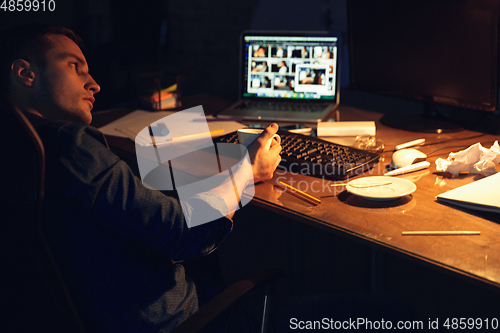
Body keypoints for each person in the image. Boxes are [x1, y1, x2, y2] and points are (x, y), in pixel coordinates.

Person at [0, 24, 282, 332]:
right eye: (74, 67)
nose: (94, 84)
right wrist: (247, 170)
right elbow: (188, 236)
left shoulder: (16, 142)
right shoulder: (71, 147)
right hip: (162, 318)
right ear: (26, 74)